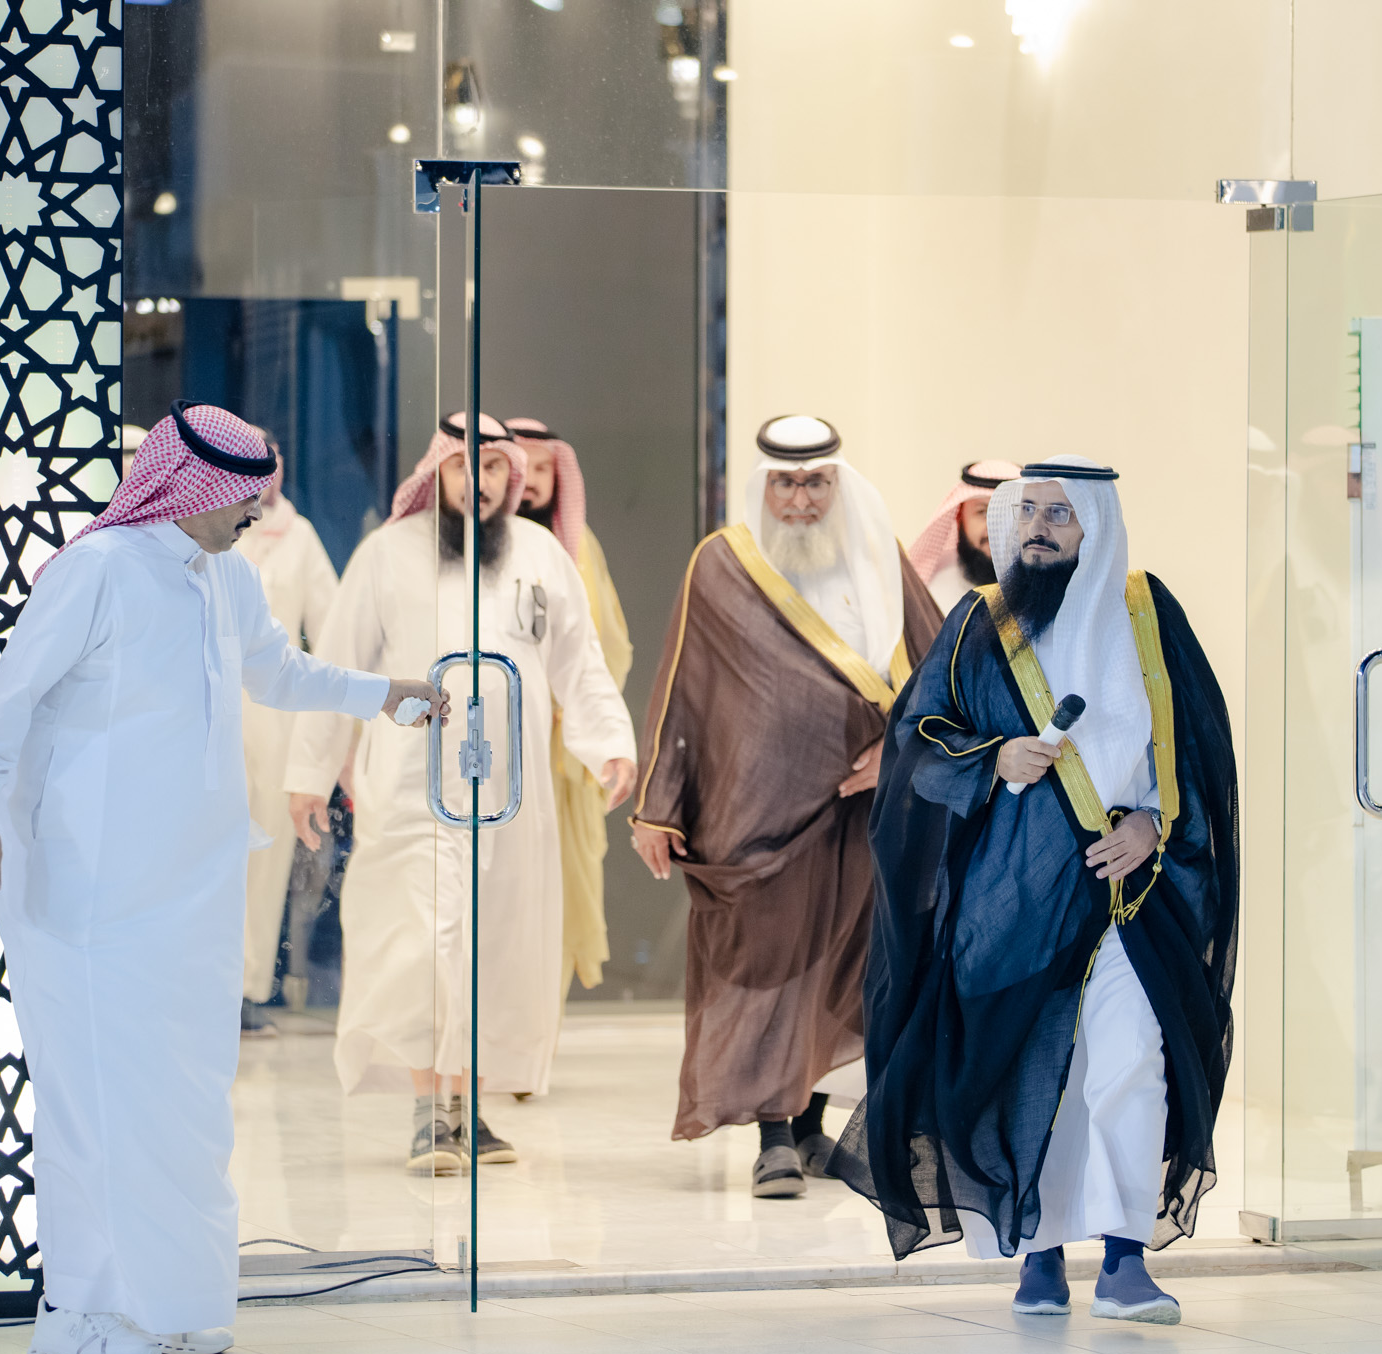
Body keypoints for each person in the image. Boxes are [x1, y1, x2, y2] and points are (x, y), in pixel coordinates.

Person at [0, 404, 445, 1354]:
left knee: (181, 1107)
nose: (255, 516)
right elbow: (8, 701)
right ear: (188, 485)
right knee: (96, 1105)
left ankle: (169, 1303)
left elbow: (277, 671)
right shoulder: (96, 571)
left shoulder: (226, 576)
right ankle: (85, 1316)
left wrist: (380, 693)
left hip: (192, 891)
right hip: (90, 892)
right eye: (242, 500)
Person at [829, 457, 1239, 1327]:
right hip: (1011, 900)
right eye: (1028, 513)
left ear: (1096, 524)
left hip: (1129, 897)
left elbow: (1197, 747)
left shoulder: (1149, 614)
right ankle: (1040, 1255)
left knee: (1131, 1063)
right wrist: (993, 758)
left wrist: (1154, 821)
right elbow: (917, 739)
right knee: (1030, 1070)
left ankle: (1125, 1261)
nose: (1040, 529)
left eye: (1060, 513)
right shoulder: (981, 624)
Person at [284, 414, 637, 1174]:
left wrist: (609, 742)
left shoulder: (539, 554)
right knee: (421, 946)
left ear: (514, 476)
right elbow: (340, 667)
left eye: (495, 469)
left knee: (496, 947)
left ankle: (468, 1109)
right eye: (463, 468)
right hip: (412, 787)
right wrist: (311, 773)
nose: (479, 483)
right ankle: (427, 1114)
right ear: (437, 473)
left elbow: (580, 663)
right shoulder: (385, 555)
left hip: (512, 795)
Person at [630, 415, 942, 1196]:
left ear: (838, 483)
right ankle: (771, 1134)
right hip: (754, 809)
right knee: (765, 963)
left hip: (864, 811)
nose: (800, 499)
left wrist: (897, 751)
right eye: (785, 483)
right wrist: (658, 806)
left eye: (816, 483)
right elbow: (682, 688)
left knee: (843, 967)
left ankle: (808, 1128)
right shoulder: (720, 563)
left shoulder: (879, 556)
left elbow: (941, 669)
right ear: (762, 485)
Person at [508, 418, 633, 997]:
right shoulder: (472, 548)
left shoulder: (579, 549)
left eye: (543, 469)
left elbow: (609, 646)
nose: (532, 481)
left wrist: (579, 713)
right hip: (492, 743)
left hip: (563, 754)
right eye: (521, 467)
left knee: (559, 890)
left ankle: (542, 1025)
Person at [234, 436, 341, 1033]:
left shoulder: (300, 538)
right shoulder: (210, 528)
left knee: (264, 858)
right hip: (207, 714)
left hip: (276, 723)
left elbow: (333, 629)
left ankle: (246, 990)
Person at [909, 459, 1021, 612]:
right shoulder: (933, 592)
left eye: (1008, 513)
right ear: (959, 516)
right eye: (983, 512)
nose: (995, 527)